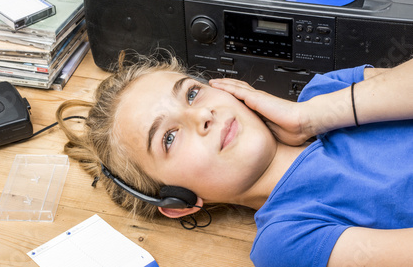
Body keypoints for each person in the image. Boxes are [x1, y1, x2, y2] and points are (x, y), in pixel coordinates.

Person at [57, 52, 413, 267]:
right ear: (179, 202)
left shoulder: (325, 92)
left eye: (192, 93)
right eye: (169, 137)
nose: (202, 116)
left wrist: (311, 116)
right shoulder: (286, 240)